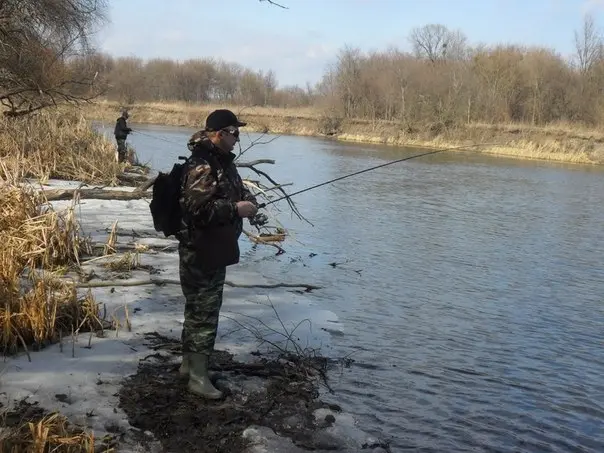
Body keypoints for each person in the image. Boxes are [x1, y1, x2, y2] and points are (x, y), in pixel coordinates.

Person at [176, 109, 261, 399]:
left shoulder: (221, 161)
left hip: (213, 247)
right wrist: (236, 209)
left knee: (197, 310)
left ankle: (189, 367)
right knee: (204, 313)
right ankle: (198, 379)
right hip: (201, 250)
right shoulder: (201, 165)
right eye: (234, 132)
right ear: (219, 134)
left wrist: (248, 202)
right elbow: (197, 211)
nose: (238, 138)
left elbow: (230, 193)